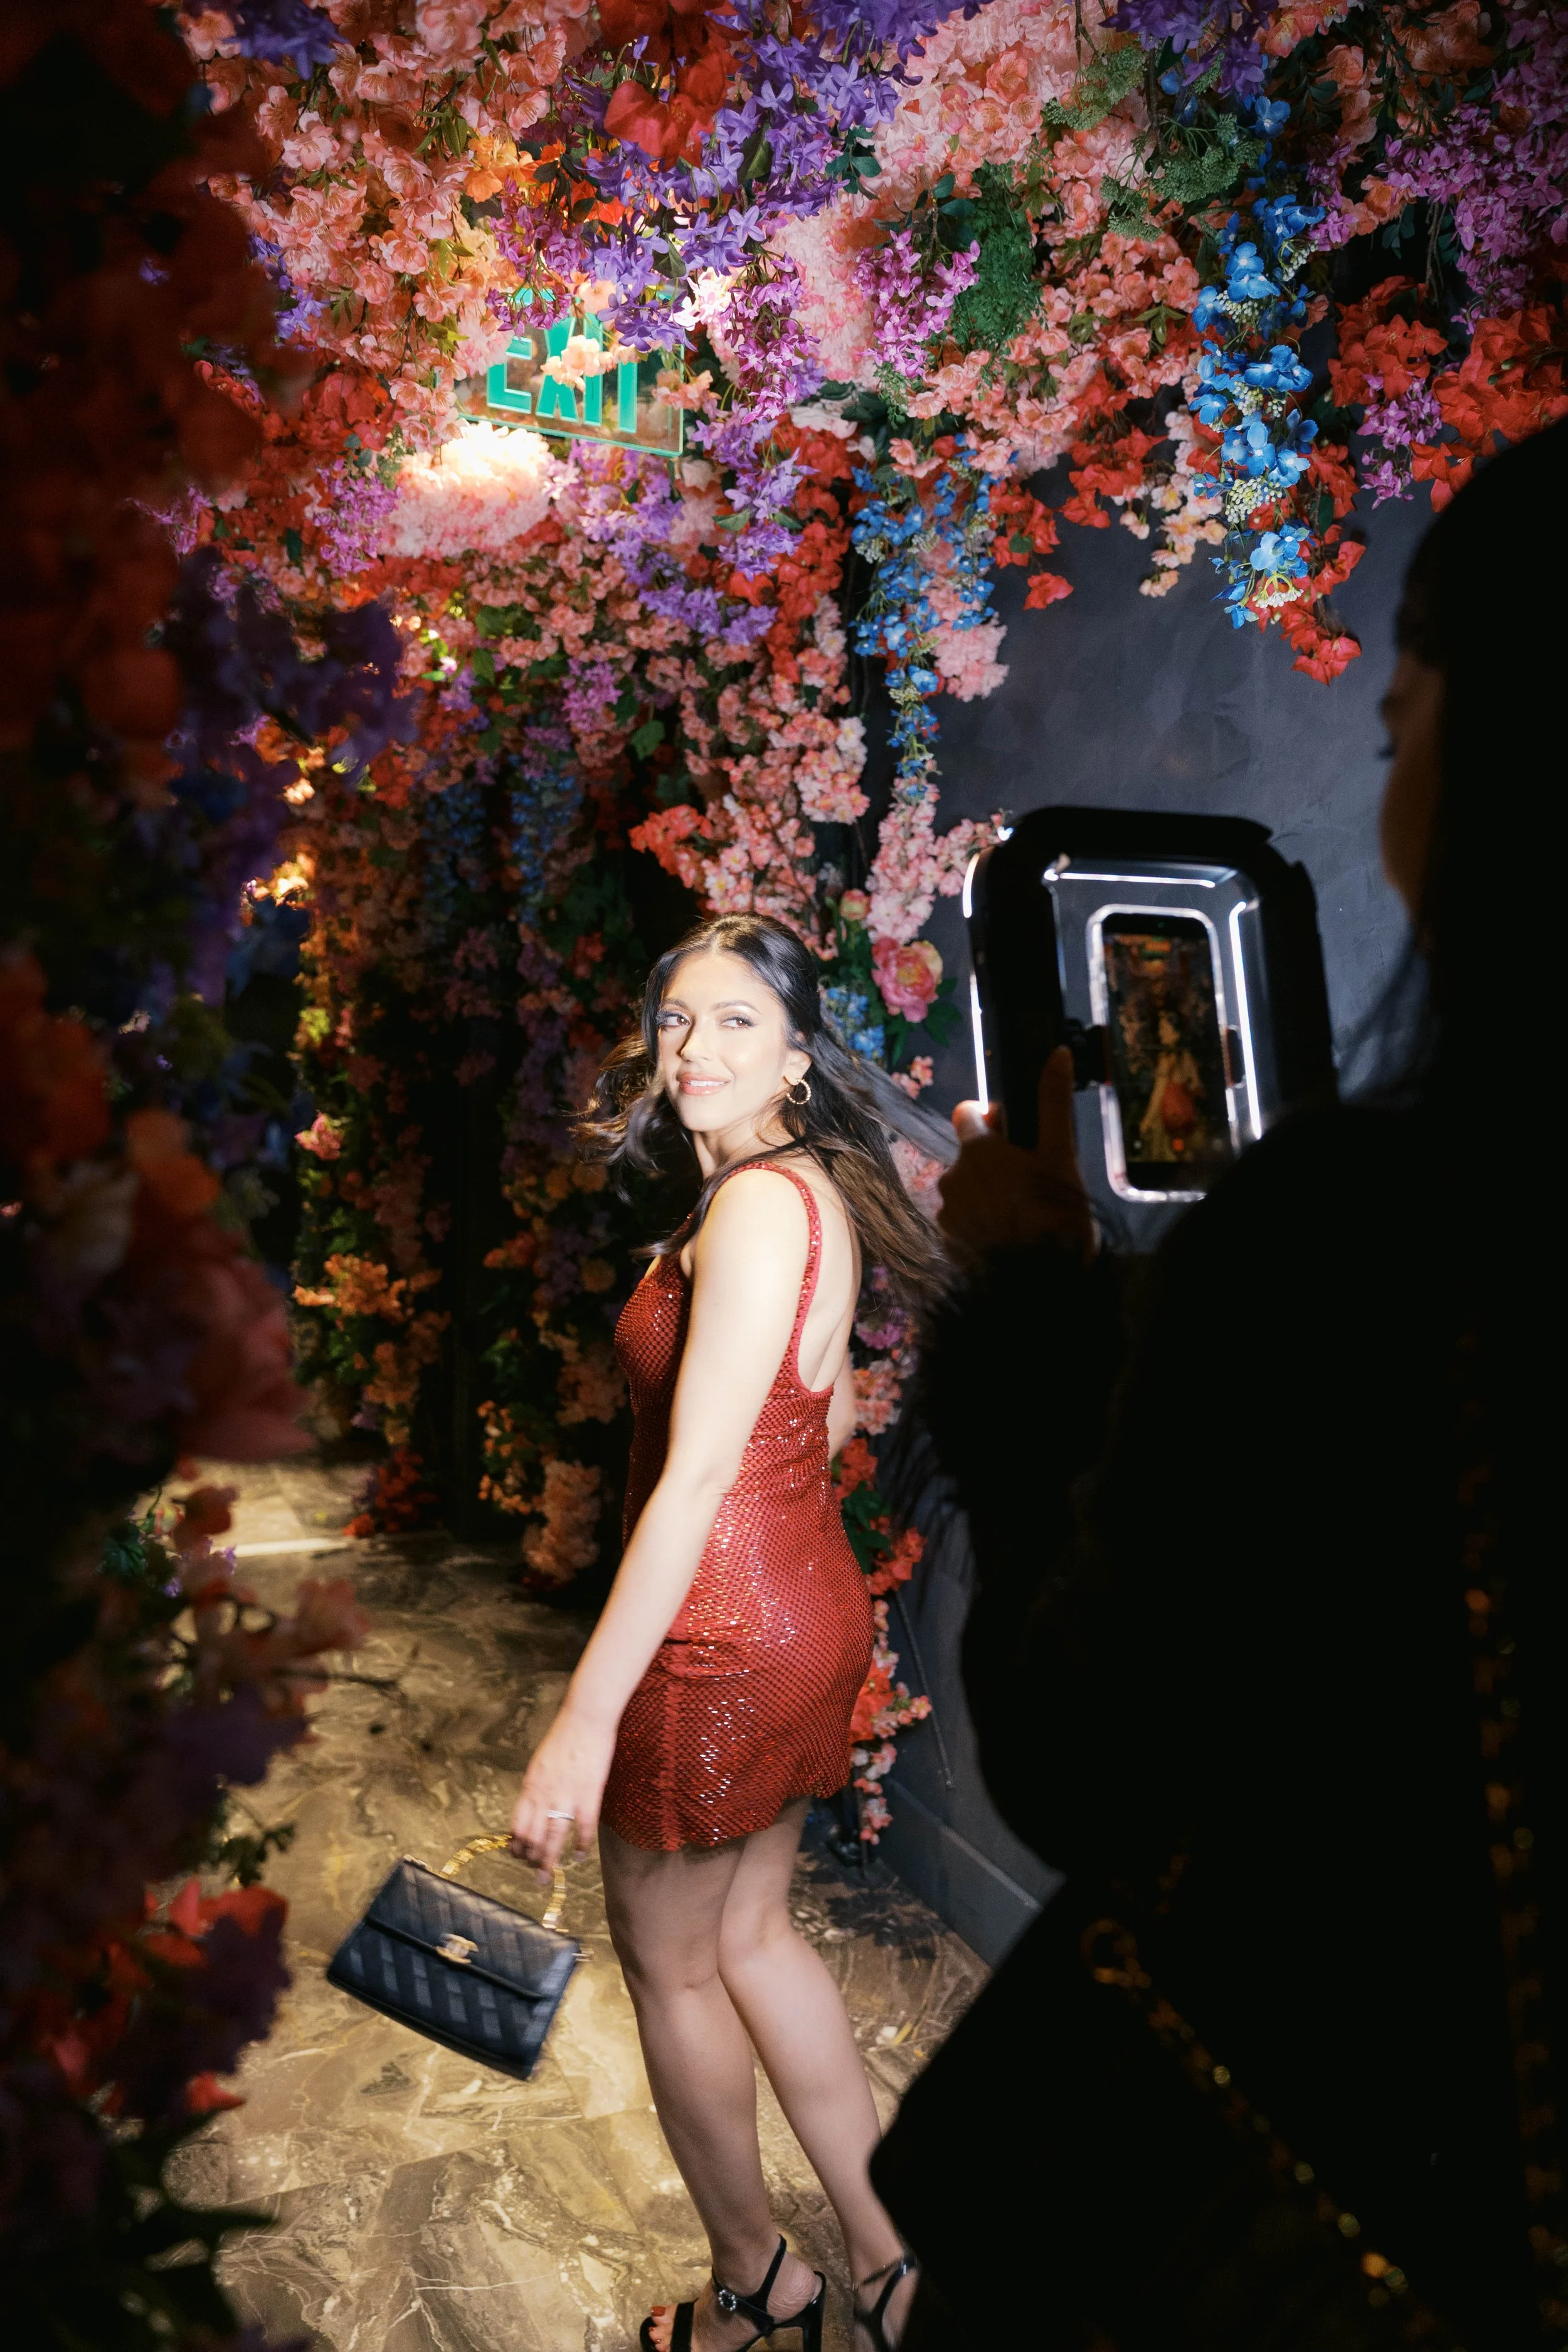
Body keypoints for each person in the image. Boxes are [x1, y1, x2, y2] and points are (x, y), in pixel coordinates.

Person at [870, 423, 1564, 2349]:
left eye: (1403, 712)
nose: (1391, 750)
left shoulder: (1365, 1238)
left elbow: (1081, 1754)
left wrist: (1025, 1314)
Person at [509, 913, 938, 2352]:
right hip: (799, 1608)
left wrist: (583, 1721)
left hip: (719, 1636)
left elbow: (695, 1480)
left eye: (736, 1020)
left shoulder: (754, 1207)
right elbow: (824, 1418)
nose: (692, 1048)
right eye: (678, 1019)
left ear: (798, 1053)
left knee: (675, 1961)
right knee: (752, 1936)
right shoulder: (807, 1189)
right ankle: (890, 2263)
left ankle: (759, 2286)